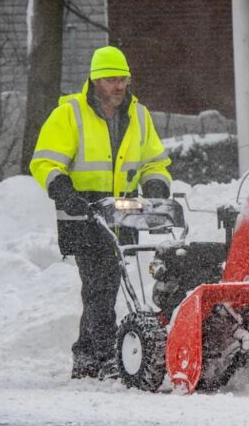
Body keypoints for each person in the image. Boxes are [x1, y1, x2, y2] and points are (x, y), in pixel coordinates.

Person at [30, 46, 171, 380]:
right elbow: (44, 161)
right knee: (101, 285)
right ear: (95, 80)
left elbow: (156, 162)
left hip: (122, 213)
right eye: (111, 79)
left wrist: (155, 187)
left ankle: (86, 356)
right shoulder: (70, 113)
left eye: (123, 78)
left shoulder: (138, 115)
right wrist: (62, 190)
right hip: (82, 214)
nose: (119, 85)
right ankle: (106, 356)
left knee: (103, 286)